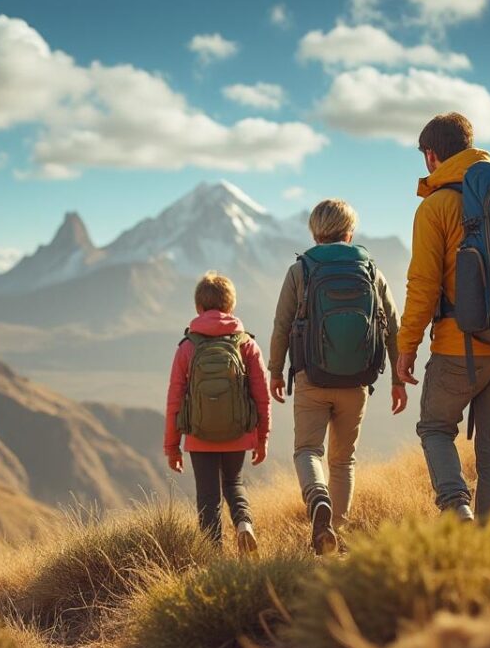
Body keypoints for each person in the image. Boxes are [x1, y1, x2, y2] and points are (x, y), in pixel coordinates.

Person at [397, 112, 490, 534]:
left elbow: (423, 286)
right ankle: (489, 545)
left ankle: (457, 509)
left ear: (431, 155)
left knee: (436, 428)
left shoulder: (436, 206)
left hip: (460, 346)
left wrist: (406, 347)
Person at [269, 199, 407, 555]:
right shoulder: (370, 269)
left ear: (315, 232)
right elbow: (393, 326)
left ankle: (318, 498)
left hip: (311, 377)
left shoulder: (300, 270)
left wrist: (275, 371)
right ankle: (334, 534)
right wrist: (397, 378)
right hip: (357, 380)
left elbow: (282, 325)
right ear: (350, 232)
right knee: (343, 460)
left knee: (307, 450)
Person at [165, 271, 270, 552]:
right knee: (234, 483)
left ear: (198, 307)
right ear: (231, 306)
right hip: (238, 431)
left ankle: (213, 556)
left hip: (199, 435)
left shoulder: (187, 347)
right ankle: (244, 524)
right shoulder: (246, 344)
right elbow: (262, 396)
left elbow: (175, 399)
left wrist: (172, 447)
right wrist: (262, 437)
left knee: (208, 496)